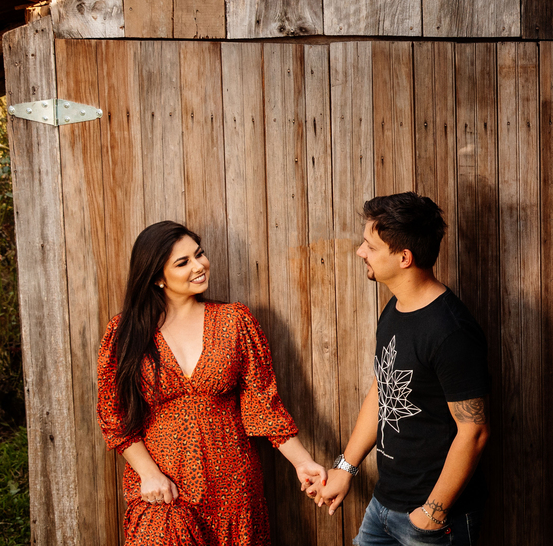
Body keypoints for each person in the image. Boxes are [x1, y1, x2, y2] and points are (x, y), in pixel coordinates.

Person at [97, 220, 326, 545]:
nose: (199, 265)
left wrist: (304, 463)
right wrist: (149, 474)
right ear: (157, 277)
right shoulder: (125, 334)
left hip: (234, 489)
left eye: (199, 254)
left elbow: (264, 409)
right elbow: (114, 416)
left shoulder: (235, 321)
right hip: (163, 491)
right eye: (183, 262)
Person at [311, 192, 490, 545]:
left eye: (370, 246)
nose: (361, 252)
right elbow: (383, 391)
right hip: (383, 504)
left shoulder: (450, 331)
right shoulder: (395, 309)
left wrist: (432, 513)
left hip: (432, 519)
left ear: (404, 257)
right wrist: (346, 468)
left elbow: (475, 431)